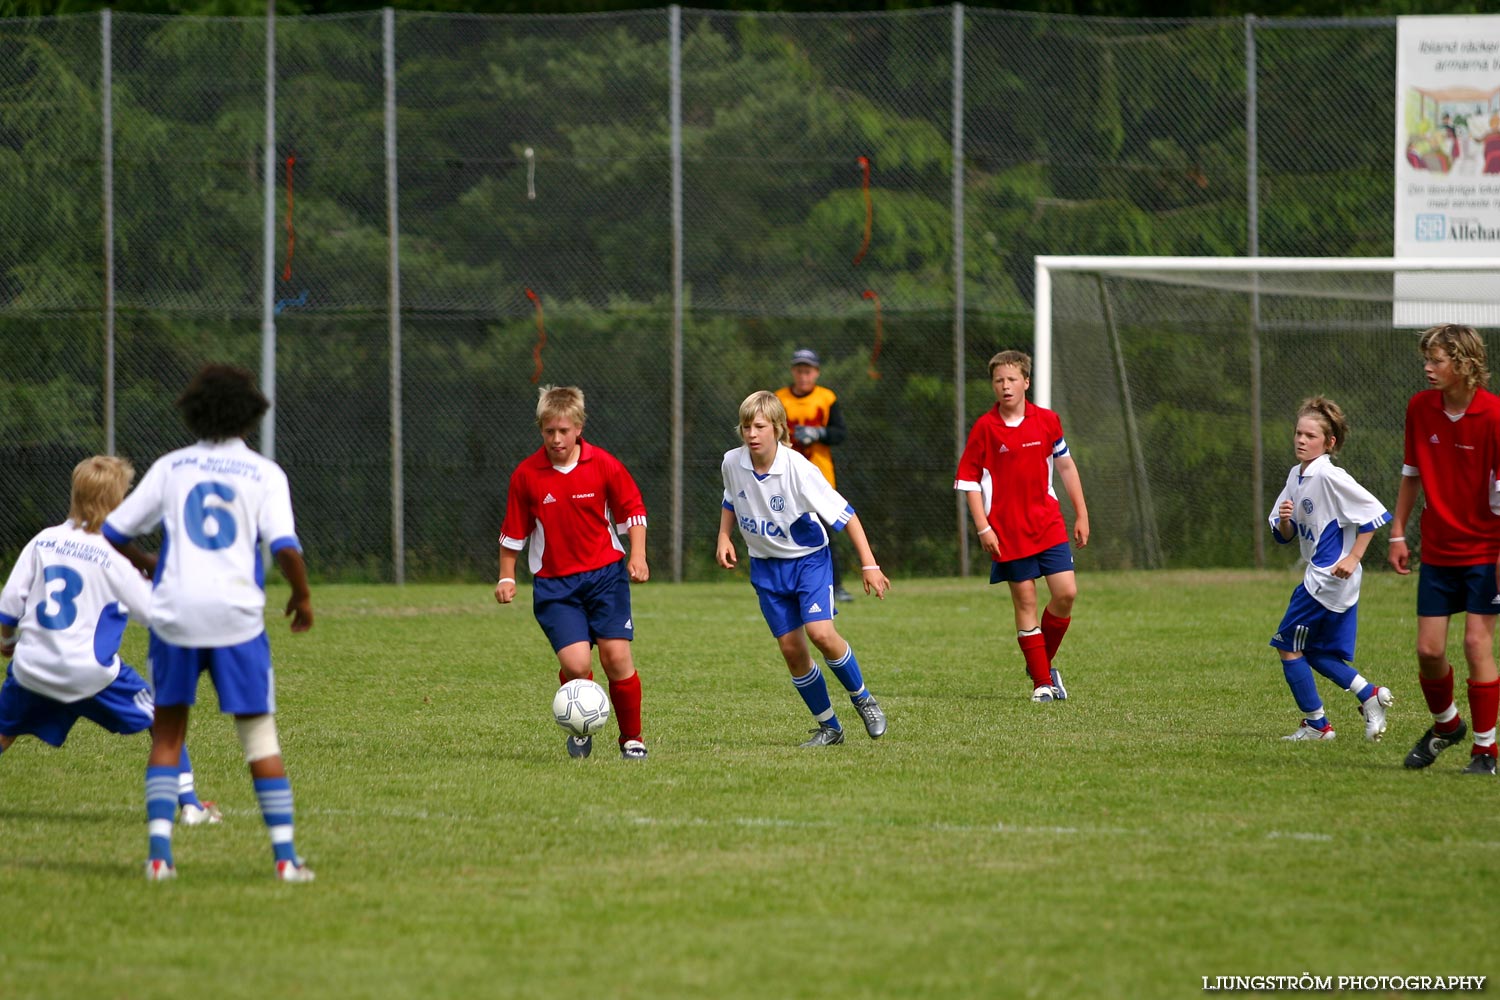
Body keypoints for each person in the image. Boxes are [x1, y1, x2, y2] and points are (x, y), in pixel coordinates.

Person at [104, 363, 315, 881]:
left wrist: (151, 563)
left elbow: (112, 531)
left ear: (194, 413)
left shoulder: (172, 467)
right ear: (250, 415)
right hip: (236, 620)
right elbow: (284, 546)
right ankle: (286, 861)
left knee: (168, 737)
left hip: (174, 616)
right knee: (259, 738)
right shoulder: (265, 473)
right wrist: (302, 595)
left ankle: (158, 857)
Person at [0, 455, 219, 827]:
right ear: (118, 503)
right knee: (164, 720)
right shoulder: (115, 556)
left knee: (5, 729)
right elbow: (153, 613)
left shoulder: (43, 541)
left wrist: (8, 644)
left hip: (34, 668)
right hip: (92, 675)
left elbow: (7, 610)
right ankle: (191, 806)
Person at [716, 390, 890, 747]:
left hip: (808, 561)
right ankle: (830, 727)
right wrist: (724, 536)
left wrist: (869, 565)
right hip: (766, 568)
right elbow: (731, 499)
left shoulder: (799, 469)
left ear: (778, 429)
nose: (751, 434)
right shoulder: (732, 462)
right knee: (791, 649)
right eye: (746, 426)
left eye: (760, 426)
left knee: (821, 634)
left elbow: (847, 516)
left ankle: (863, 698)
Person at [495, 385, 650, 761]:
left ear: (578, 427)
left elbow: (633, 510)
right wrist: (507, 576)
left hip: (605, 577)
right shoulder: (527, 475)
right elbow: (513, 531)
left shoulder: (604, 465)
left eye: (564, 431)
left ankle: (631, 738)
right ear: (541, 430)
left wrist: (638, 555)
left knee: (615, 659)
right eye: (549, 431)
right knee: (577, 665)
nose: (557, 439)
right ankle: (580, 723)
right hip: (556, 586)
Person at [1387, 323, 1500, 775]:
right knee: (1429, 651)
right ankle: (1447, 725)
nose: (1428, 369)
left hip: (1486, 550)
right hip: (1437, 549)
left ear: (1464, 364)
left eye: (1437, 360)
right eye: (1427, 361)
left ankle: (1485, 750)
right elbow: (1412, 472)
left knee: (1477, 642)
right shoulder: (1420, 408)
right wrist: (1398, 532)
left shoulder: (1494, 416)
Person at [955, 349, 1089, 703]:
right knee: (1026, 601)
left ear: (1026, 382)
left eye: (1012, 379)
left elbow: (1066, 468)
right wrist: (984, 528)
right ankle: (1042, 683)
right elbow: (967, 481)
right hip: (1007, 532)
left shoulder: (1047, 421)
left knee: (1066, 593)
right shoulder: (985, 428)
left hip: (1047, 524)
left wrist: (1082, 513)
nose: (1005, 386)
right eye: (999, 380)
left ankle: (1040, 663)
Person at [1268, 397, 1395, 742]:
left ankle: (1317, 725)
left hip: (1327, 579)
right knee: (1316, 652)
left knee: (1287, 644)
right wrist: (1284, 522)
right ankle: (1369, 695)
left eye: (1310, 435)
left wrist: (1353, 557)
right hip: (1329, 580)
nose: (1301, 440)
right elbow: (1285, 534)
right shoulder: (1297, 475)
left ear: (1329, 442)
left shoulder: (1329, 474)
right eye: (1298, 433)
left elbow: (1373, 514)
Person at [776, 348, 854, 603]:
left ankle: (836, 585)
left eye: (808, 371)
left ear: (816, 373)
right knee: (782, 529)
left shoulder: (826, 398)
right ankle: (786, 585)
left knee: (826, 533)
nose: (803, 376)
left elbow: (840, 433)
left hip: (820, 476)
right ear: (793, 372)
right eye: (799, 370)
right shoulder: (779, 399)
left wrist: (819, 433)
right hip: (785, 476)